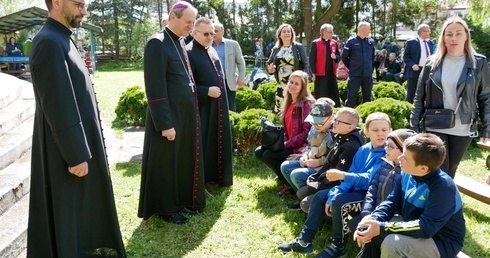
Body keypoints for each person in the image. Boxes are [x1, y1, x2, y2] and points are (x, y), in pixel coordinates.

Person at [27, 0, 126, 256]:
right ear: (58, 2)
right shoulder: (49, 42)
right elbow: (58, 104)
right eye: (79, 4)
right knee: (68, 213)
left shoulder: (62, 38)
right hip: (66, 153)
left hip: (78, 144)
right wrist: (76, 154)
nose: (85, 10)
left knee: (82, 211)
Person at [277, 112, 391, 254]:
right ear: (367, 132)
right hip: (355, 190)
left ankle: (338, 245)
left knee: (339, 201)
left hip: (369, 196)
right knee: (320, 197)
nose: (380, 134)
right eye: (375, 130)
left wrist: (343, 176)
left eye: (384, 130)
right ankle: (304, 240)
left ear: (390, 131)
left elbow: (369, 180)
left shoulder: (388, 154)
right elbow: (349, 179)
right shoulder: (363, 150)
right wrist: (334, 193)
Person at [138, 1, 205, 225]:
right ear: (173, 17)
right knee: (167, 164)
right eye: (188, 22)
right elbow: (155, 89)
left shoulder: (179, 42)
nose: (191, 26)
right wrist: (165, 124)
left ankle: (182, 201)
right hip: (168, 118)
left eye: (193, 22)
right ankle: (166, 208)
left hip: (184, 116)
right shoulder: (157, 43)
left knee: (182, 161)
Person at [354, 133, 466, 258]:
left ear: (423, 168)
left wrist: (381, 227)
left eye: (406, 158)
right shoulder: (407, 172)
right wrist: (374, 219)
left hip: (440, 241)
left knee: (392, 244)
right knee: (371, 228)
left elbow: (426, 228)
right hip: (413, 225)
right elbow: (392, 202)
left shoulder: (443, 188)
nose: (400, 158)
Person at [410, 16, 490, 178]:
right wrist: (414, 124)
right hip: (435, 124)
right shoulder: (432, 63)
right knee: (440, 168)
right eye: (449, 34)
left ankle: (446, 201)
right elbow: (419, 95)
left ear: (466, 36)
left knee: (451, 168)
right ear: (443, 38)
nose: (454, 38)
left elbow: (485, 97)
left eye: (458, 33)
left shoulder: (478, 63)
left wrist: (487, 128)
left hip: (463, 126)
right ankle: (437, 201)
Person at [317, 129, 416, 258]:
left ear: (403, 150)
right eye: (386, 144)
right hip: (377, 212)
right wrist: (367, 214)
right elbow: (372, 189)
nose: (386, 148)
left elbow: (397, 204)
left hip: (392, 217)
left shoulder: (407, 173)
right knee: (357, 224)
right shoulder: (385, 164)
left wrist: (376, 219)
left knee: (368, 231)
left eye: (390, 146)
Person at [187, 18, 233, 187]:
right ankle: (204, 180)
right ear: (194, 33)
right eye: (205, 34)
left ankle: (218, 178)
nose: (209, 37)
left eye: (212, 33)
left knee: (218, 142)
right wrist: (205, 91)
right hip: (202, 108)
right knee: (206, 144)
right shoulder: (189, 53)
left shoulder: (211, 50)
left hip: (218, 107)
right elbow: (185, 86)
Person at [255, 70, 314, 193]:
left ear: (303, 87)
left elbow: (306, 133)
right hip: (289, 142)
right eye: (291, 82)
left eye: (297, 84)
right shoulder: (289, 102)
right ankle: (283, 177)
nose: (292, 85)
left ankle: (288, 183)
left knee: (268, 155)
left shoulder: (306, 104)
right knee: (260, 151)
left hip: (299, 147)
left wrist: (286, 144)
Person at [296, 107, 364, 212]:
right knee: (301, 193)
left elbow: (338, 177)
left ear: (349, 127)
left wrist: (319, 185)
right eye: (335, 119)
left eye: (338, 121)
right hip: (326, 178)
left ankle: (329, 214)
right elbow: (329, 162)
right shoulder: (341, 136)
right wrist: (316, 178)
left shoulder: (350, 146)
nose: (334, 123)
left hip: (337, 186)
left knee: (305, 204)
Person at [280, 98, 336, 208]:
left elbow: (334, 156)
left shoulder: (335, 133)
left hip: (323, 167)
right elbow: (309, 145)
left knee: (296, 175)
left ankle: (309, 202)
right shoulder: (314, 128)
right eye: (313, 122)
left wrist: (318, 162)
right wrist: (304, 155)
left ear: (331, 119)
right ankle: (300, 197)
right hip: (310, 160)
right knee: (285, 166)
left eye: (319, 123)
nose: (315, 126)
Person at [267, 24, 310, 112]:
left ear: (292, 34)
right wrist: (270, 70)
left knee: (295, 107)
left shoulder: (299, 47)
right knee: (281, 109)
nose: (286, 33)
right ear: (279, 35)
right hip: (281, 83)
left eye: (288, 31)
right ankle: (281, 123)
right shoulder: (276, 49)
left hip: (295, 83)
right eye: (284, 31)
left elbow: (306, 63)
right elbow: (269, 63)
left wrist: (305, 79)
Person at [212, 22, 246, 112]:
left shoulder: (233, 44)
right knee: (214, 108)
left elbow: (240, 62)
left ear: (222, 32)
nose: (213, 33)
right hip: (212, 82)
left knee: (230, 107)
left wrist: (241, 79)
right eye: (212, 31)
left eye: (216, 31)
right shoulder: (207, 45)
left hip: (229, 81)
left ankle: (231, 125)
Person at [342, 22, 375, 108]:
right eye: (369, 29)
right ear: (363, 30)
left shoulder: (370, 42)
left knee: (367, 98)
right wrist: (352, 67)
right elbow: (344, 57)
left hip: (367, 75)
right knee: (351, 97)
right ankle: (347, 117)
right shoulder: (351, 42)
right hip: (355, 74)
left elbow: (372, 57)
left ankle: (365, 117)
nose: (370, 31)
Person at [309, 24, 341, 106]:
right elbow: (311, 59)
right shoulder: (316, 43)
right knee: (321, 93)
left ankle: (334, 108)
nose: (332, 33)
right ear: (324, 33)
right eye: (330, 32)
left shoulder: (334, 43)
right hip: (320, 73)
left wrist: (336, 57)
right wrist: (313, 73)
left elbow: (338, 56)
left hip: (331, 73)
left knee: (333, 92)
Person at [403, 24, 433, 103]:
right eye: (428, 31)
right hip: (415, 71)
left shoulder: (430, 42)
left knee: (425, 92)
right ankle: (409, 110)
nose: (430, 32)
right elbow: (406, 57)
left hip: (427, 70)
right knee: (411, 93)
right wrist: (412, 64)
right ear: (422, 32)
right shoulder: (411, 42)